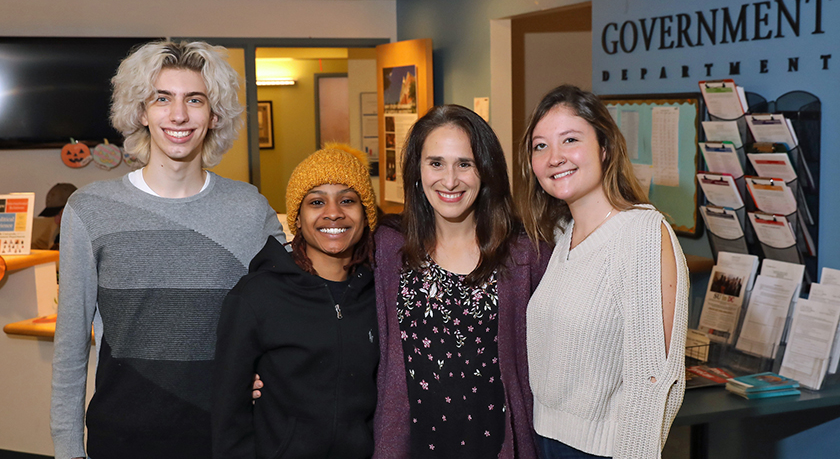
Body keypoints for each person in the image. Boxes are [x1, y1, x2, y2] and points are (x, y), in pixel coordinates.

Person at [50, 41, 285, 459]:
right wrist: (68, 449)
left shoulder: (249, 210)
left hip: (224, 439)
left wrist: (268, 368)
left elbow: (291, 314)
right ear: (141, 112)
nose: (179, 115)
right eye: (163, 99)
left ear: (214, 116)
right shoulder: (89, 211)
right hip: (121, 439)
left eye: (195, 100)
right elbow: (69, 350)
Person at [516, 85, 689, 459]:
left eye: (570, 140)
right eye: (540, 146)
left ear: (605, 148)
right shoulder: (563, 235)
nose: (554, 157)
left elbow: (654, 379)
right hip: (545, 440)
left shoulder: (641, 233)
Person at [374, 104, 550, 458]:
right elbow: (327, 299)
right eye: (435, 163)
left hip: (497, 445)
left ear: (486, 170)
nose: (450, 180)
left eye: (464, 164)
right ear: (417, 170)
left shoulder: (526, 255)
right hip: (412, 446)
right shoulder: (388, 248)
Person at [212, 144, 379, 459]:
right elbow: (228, 418)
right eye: (317, 201)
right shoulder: (255, 296)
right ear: (298, 219)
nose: (333, 212)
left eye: (348, 200)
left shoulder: (378, 295)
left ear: (365, 214)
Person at [32, 183, 76, 250]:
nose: (56, 221)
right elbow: (38, 245)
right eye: (54, 215)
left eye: (60, 214)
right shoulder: (56, 226)